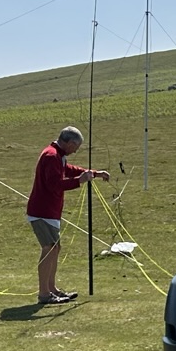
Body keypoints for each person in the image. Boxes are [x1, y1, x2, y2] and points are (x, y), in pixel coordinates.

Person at [26, 125, 107, 305]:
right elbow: (54, 184)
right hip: (42, 212)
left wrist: (93, 173)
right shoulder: (51, 155)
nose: (75, 151)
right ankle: (44, 294)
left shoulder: (58, 156)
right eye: (75, 147)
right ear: (69, 143)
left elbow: (68, 169)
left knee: (55, 248)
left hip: (50, 212)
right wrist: (79, 181)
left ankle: (52, 289)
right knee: (49, 249)